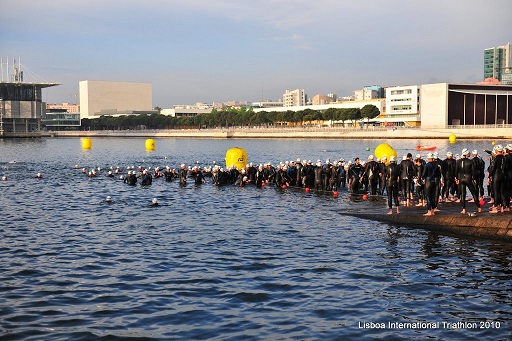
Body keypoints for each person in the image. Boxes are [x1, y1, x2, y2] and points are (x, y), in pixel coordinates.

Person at [454, 148, 482, 214]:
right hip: (468, 178)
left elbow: (456, 172)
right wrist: (474, 179)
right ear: (466, 154)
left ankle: (463, 209)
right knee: (474, 193)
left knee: (463, 194)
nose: (470, 154)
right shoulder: (470, 161)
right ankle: (479, 207)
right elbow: (473, 172)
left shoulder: (458, 162)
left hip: (461, 178)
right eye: (469, 153)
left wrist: (456, 179)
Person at [488, 145, 507, 213]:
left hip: (496, 175)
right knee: (502, 192)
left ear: (496, 150)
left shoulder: (496, 158)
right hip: (503, 175)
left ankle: (495, 207)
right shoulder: (505, 158)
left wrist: (489, 175)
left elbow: (492, 168)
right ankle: (502, 207)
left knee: (496, 192)